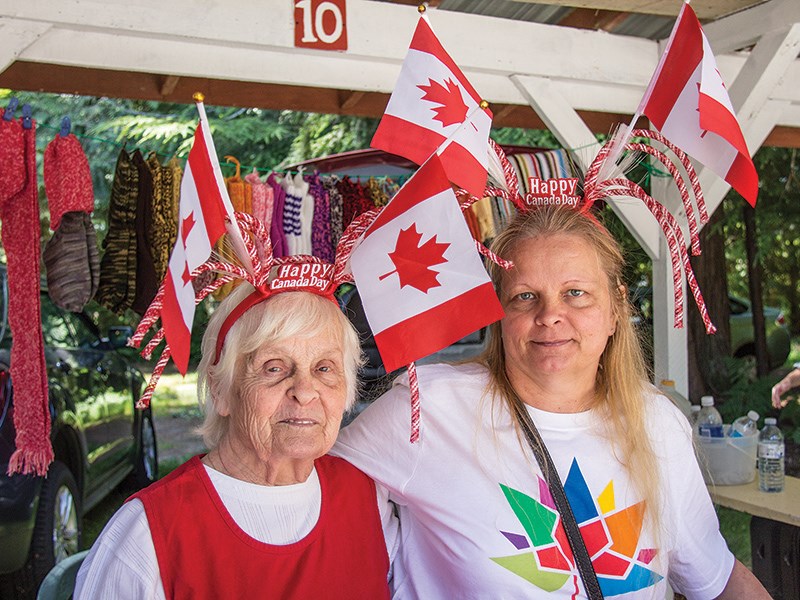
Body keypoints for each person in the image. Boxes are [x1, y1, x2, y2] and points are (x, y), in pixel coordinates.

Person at [334, 205, 769, 598]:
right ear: (498, 312)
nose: (550, 315)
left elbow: (717, 579)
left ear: (617, 308)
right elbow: (302, 487)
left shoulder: (657, 421)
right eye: (525, 296)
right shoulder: (429, 409)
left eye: (575, 293)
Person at [75, 279, 397, 599]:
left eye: (324, 368)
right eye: (274, 368)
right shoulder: (148, 534)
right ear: (221, 390)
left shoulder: (367, 496)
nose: (304, 391)